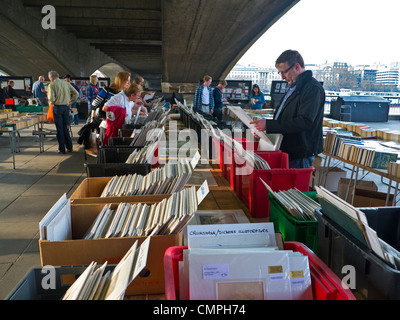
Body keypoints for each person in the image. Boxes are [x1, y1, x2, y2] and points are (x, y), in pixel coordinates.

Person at [250, 50, 325, 168]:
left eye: (284, 72)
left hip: (299, 153)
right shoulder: (294, 86)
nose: (282, 77)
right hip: (288, 149)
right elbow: (285, 117)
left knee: (293, 186)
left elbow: (304, 121)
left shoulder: (312, 88)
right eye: (280, 73)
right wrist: (265, 131)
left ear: (296, 67)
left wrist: (269, 125)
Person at [91, 71, 131, 144]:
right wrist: (92, 118)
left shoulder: (123, 93)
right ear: (121, 80)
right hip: (104, 123)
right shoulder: (107, 90)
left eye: (129, 80)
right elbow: (94, 104)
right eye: (127, 80)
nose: (129, 82)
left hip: (116, 125)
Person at [47, 70, 79, 154]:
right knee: (65, 128)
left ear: (51, 77)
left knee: (59, 129)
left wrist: (52, 102)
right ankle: (69, 147)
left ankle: (61, 149)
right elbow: (76, 94)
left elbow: (51, 99)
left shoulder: (52, 85)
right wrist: (70, 101)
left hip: (57, 107)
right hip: (66, 107)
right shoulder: (66, 83)